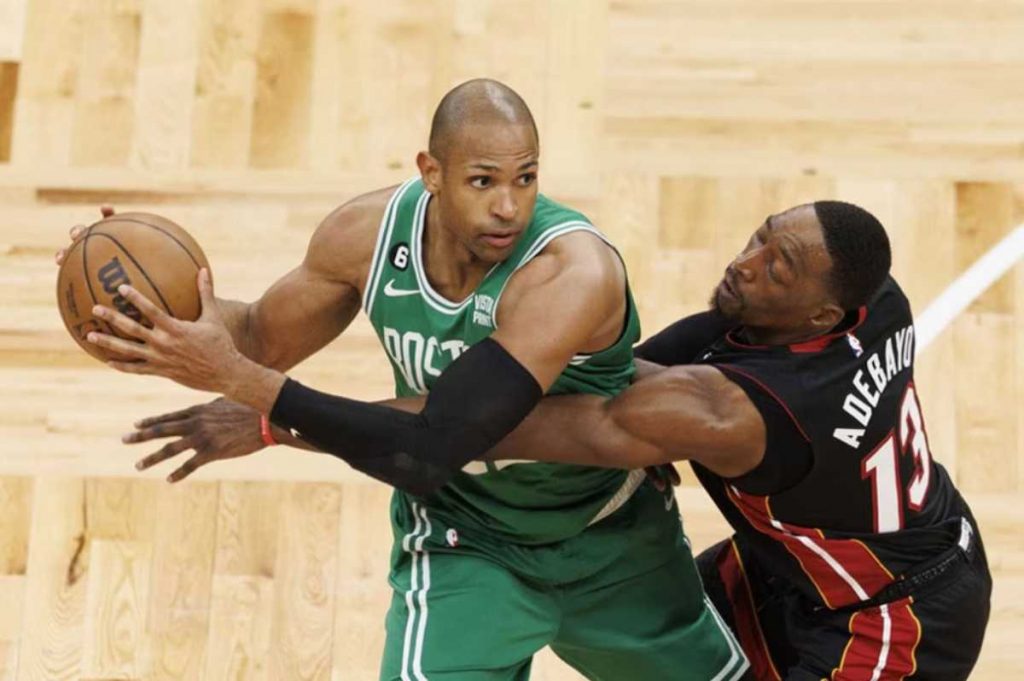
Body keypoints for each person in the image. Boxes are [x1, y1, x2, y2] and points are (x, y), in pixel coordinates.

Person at [64, 79, 746, 680]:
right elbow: (254, 340)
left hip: (609, 537)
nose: (509, 206)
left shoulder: (572, 273)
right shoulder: (365, 237)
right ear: (432, 172)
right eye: (484, 181)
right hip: (463, 539)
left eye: (526, 178)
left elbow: (429, 446)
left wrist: (254, 398)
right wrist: (144, 310)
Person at [480, 201, 991, 680]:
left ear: (821, 318)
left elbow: (586, 418)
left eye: (777, 268)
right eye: (760, 238)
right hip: (795, 566)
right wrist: (660, 421)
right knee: (654, 642)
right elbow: (681, 361)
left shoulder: (755, 413)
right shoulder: (872, 297)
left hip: (891, 614)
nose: (745, 263)